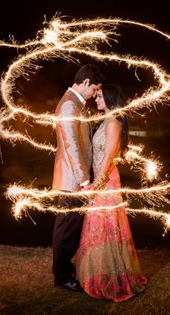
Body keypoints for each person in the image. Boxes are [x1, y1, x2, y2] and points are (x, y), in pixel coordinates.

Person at [73, 84, 147, 302]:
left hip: (106, 181)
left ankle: (112, 279)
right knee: (98, 228)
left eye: (99, 97)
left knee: (106, 228)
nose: (96, 99)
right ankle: (97, 274)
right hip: (101, 179)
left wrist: (96, 184)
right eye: (96, 96)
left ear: (110, 99)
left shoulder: (113, 122)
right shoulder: (106, 120)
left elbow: (107, 159)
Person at [52, 64, 104, 291]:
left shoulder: (74, 104)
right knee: (66, 229)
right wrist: (84, 180)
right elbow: (71, 145)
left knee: (71, 228)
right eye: (94, 89)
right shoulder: (69, 106)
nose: (94, 95)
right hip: (72, 180)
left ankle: (63, 267)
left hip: (75, 178)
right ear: (85, 83)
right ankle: (62, 277)